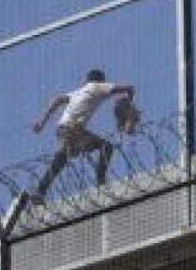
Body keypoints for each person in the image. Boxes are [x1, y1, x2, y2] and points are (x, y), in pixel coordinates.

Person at [31, 69, 135, 202]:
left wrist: (42, 122)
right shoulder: (97, 86)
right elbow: (129, 88)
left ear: (86, 80)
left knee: (61, 159)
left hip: (62, 129)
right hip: (74, 129)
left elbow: (57, 100)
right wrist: (129, 105)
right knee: (106, 147)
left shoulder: (78, 91)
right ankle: (101, 182)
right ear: (101, 80)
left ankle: (40, 191)